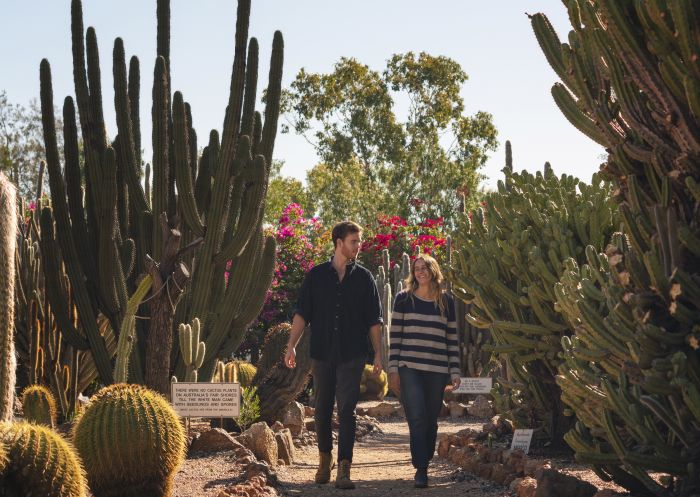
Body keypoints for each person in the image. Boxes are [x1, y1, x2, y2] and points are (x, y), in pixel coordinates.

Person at [284, 221, 383, 490]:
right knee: (322, 410)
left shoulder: (365, 278)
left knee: (348, 411)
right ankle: (324, 460)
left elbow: (374, 320)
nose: (358, 245)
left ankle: (344, 468)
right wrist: (292, 344)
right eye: (354, 241)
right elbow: (302, 313)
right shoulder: (316, 276)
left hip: (353, 354)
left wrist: (378, 353)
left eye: (359, 241)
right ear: (339, 243)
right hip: (322, 353)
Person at [387, 254, 461, 488]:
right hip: (410, 368)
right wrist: (393, 369)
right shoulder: (403, 299)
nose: (420, 272)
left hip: (437, 369)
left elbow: (452, 338)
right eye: (416, 268)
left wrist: (455, 371)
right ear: (413, 273)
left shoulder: (446, 301)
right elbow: (395, 336)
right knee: (417, 416)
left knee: (430, 418)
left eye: (424, 268)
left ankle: (424, 458)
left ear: (433, 270)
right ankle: (421, 468)